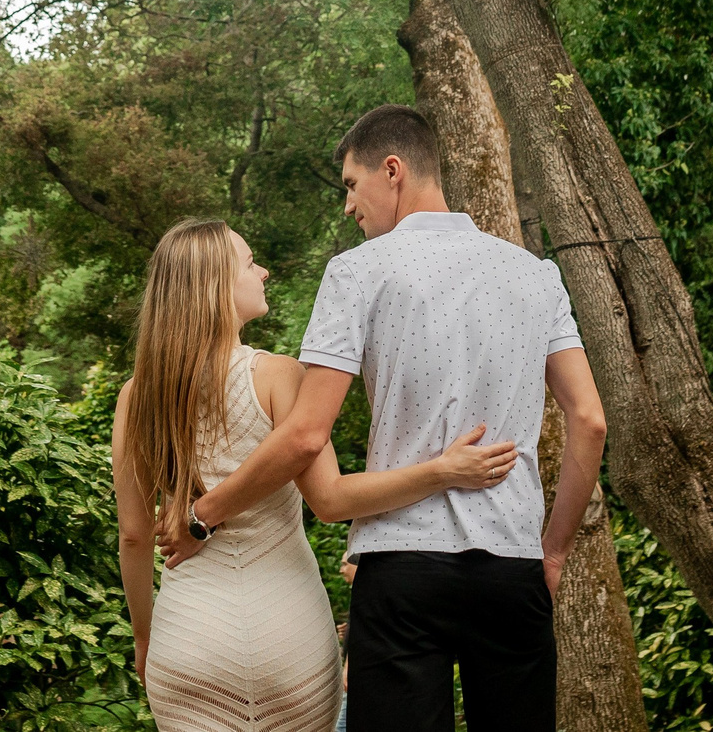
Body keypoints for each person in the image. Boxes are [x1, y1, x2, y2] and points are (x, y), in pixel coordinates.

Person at [161, 104, 606, 732]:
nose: (348, 205)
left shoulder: (356, 273)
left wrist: (201, 516)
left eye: (350, 184)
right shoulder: (537, 277)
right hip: (511, 567)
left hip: (401, 573)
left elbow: (307, 434)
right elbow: (589, 420)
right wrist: (552, 553)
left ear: (391, 170)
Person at [114, 218, 522, 732]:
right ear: (216, 284)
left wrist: (146, 640)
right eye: (248, 262)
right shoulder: (279, 376)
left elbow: (133, 536)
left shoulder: (136, 396)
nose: (262, 272)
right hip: (289, 634)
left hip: (188, 639)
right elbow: (334, 501)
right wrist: (442, 471)